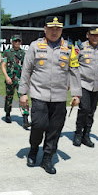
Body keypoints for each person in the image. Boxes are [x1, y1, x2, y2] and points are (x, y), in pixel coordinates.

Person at [19, 16, 81, 174]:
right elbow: (26, 70)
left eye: (58, 29)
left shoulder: (69, 48)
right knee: (38, 125)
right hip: (39, 94)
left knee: (55, 129)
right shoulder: (35, 46)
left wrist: (76, 94)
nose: (54, 32)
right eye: (51, 28)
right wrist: (23, 93)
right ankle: (33, 149)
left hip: (59, 96)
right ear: (45, 29)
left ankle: (47, 158)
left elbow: (74, 71)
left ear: (61, 30)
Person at [73, 27, 98, 147]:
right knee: (84, 109)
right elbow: (73, 66)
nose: (96, 37)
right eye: (93, 35)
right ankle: (78, 133)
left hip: (96, 86)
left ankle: (86, 135)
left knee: (91, 112)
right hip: (83, 84)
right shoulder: (80, 48)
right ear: (87, 35)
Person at [1, 34, 30, 128]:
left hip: (20, 79)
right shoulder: (7, 52)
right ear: (12, 42)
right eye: (15, 41)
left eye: (18, 41)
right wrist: (6, 77)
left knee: (23, 97)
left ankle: (25, 118)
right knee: (9, 97)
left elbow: (27, 66)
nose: (17, 43)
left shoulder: (24, 53)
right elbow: (3, 65)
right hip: (10, 78)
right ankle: (8, 114)